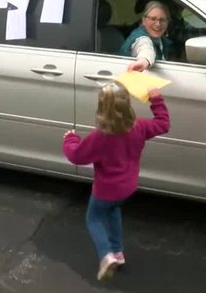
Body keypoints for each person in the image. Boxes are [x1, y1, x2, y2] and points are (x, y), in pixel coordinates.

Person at [62, 81, 170, 280]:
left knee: (93, 218)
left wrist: (70, 139)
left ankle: (106, 256)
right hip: (128, 187)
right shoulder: (140, 127)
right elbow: (163, 124)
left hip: (105, 190)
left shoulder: (100, 137)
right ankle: (118, 252)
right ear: (127, 104)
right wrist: (156, 98)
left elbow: (77, 156)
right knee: (113, 211)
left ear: (101, 108)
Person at [120, 1, 173, 72]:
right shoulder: (140, 38)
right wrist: (144, 61)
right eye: (153, 19)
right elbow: (145, 48)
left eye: (162, 20)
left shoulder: (162, 40)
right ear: (143, 20)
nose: (158, 24)